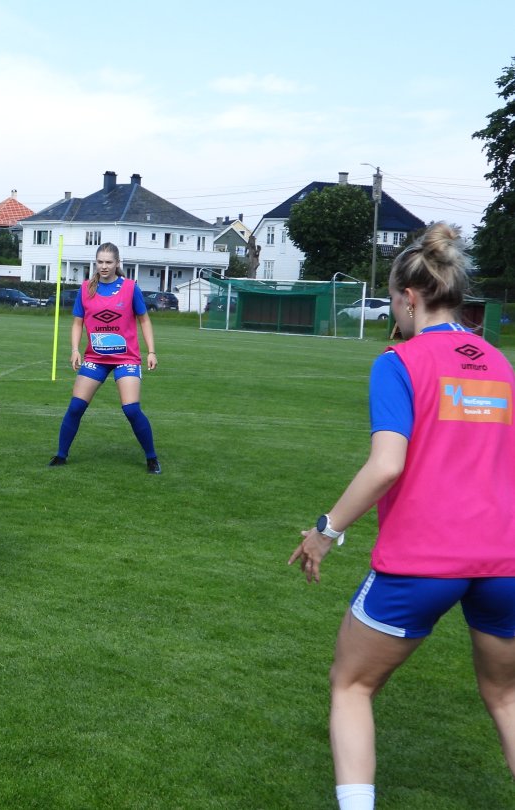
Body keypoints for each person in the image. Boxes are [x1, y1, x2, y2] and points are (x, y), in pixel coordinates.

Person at [288, 222, 515, 810]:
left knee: (352, 684)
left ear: (410, 297)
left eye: (393, 301)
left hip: (423, 561)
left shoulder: (400, 361)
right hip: (505, 563)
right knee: (507, 697)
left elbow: (386, 465)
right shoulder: (501, 365)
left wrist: (326, 531)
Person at [48, 242, 161, 473]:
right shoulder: (86, 289)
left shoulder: (130, 288)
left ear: (117, 263)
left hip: (126, 358)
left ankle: (152, 458)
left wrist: (151, 351)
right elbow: (77, 322)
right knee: (75, 407)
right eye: (100, 262)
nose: (104, 266)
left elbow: (144, 320)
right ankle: (60, 456)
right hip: (96, 358)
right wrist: (75, 349)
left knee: (131, 410)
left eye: (109, 262)